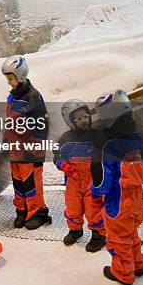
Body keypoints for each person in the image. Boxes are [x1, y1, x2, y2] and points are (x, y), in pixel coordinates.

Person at [91, 90, 143, 285]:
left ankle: (123, 272)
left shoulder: (108, 145)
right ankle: (138, 264)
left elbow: (101, 176)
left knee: (118, 237)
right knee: (131, 232)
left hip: (118, 199)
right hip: (138, 198)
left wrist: (96, 194)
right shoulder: (136, 138)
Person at [1, 55, 51, 230]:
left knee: (32, 182)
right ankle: (22, 211)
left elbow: (42, 123)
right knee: (18, 181)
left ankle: (38, 213)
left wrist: (37, 145)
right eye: (7, 79)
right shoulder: (12, 97)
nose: (9, 82)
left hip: (30, 150)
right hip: (16, 150)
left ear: (21, 75)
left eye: (11, 78)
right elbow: (10, 121)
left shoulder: (33, 96)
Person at [54, 99, 106, 252]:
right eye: (78, 118)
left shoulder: (98, 135)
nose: (84, 120)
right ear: (70, 121)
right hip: (73, 180)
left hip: (93, 179)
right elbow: (57, 155)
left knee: (94, 209)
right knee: (72, 207)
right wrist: (63, 165)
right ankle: (75, 230)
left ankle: (99, 235)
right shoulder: (65, 139)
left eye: (86, 116)